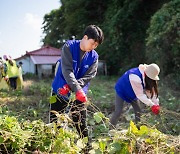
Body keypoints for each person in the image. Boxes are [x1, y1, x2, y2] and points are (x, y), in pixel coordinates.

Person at [50, 25, 104, 139]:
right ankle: (54, 145)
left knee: (80, 121)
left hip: (80, 91)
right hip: (61, 87)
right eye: (93, 43)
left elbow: (90, 75)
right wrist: (73, 87)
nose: (93, 47)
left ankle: (86, 147)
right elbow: (67, 70)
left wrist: (76, 88)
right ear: (85, 37)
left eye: (96, 45)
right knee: (56, 120)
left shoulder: (94, 56)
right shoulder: (69, 47)